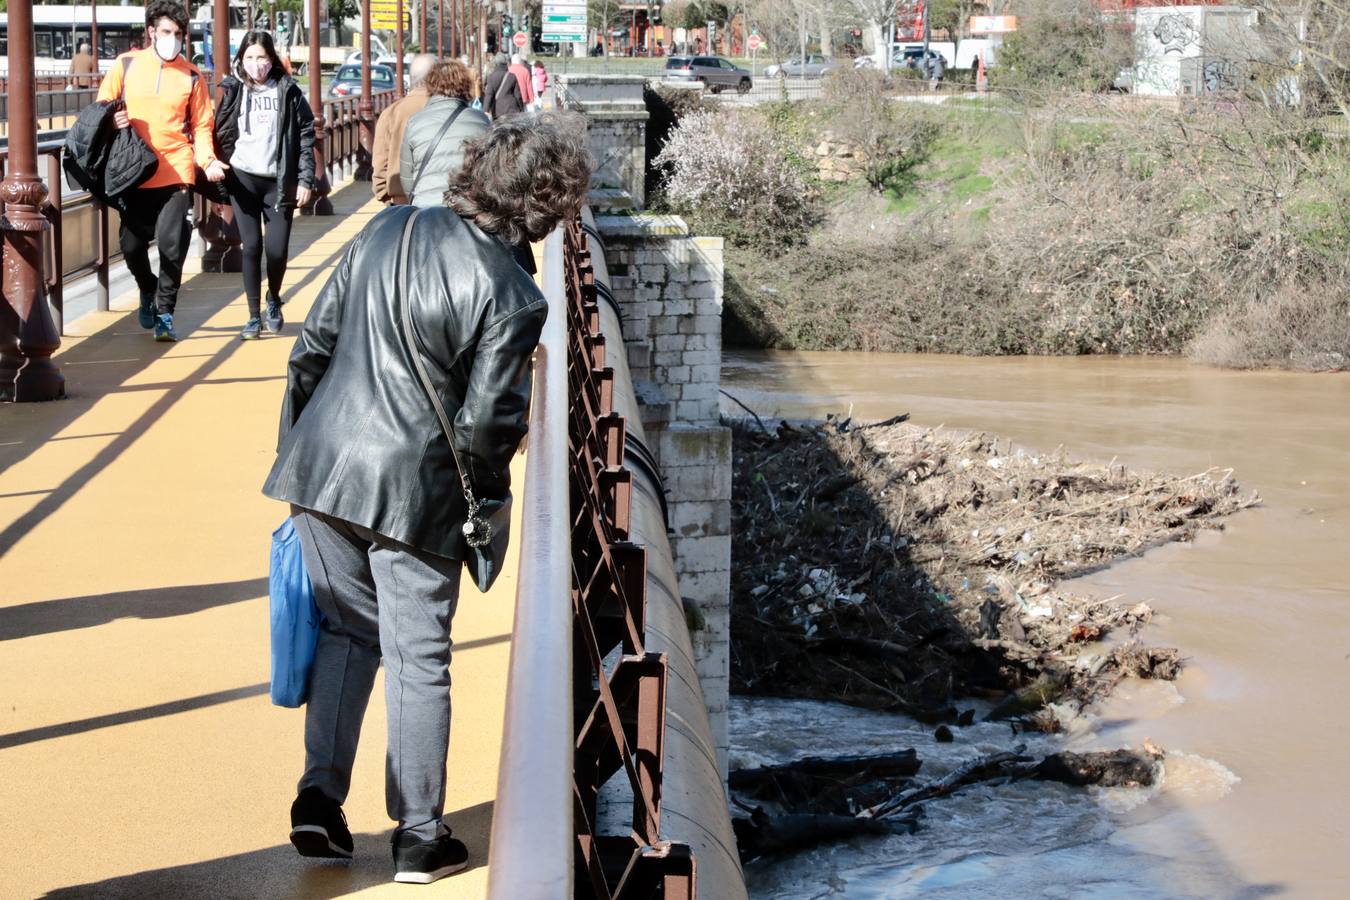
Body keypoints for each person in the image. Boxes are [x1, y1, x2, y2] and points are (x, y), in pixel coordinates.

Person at [262, 112, 593, 885]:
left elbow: (310, 351)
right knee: (420, 659)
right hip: (414, 494)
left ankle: (319, 799)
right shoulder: (513, 295)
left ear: (476, 172)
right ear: (543, 208)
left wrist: (297, 456)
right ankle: (418, 835)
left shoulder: (386, 231)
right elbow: (486, 426)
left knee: (347, 634)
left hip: (322, 472)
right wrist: (485, 509)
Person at [97, 0, 222, 343]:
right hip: (134, 170)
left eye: (178, 34)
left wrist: (207, 160)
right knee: (131, 244)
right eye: (166, 32)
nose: (172, 39)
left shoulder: (192, 76)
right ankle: (148, 288)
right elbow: (100, 108)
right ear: (151, 31)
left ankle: (165, 311)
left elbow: (201, 125)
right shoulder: (125, 65)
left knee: (171, 243)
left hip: (176, 168)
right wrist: (112, 119)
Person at [211, 31, 315, 340]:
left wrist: (305, 178)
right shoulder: (232, 90)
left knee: (277, 250)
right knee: (252, 246)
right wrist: (217, 178)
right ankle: (253, 315)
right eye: (250, 58)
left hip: (278, 181)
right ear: (240, 59)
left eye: (262, 58)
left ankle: (274, 297)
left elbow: (306, 134)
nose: (256, 65)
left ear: (272, 60)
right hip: (243, 179)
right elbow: (218, 133)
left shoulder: (288, 91)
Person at [399, 61, 490, 208]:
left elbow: (406, 175)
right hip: (467, 207)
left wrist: (416, 197)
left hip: (425, 206)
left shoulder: (415, 121)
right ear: (465, 85)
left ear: (431, 85)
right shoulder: (480, 120)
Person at [372, 53, 437, 206]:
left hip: (400, 202)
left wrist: (387, 198)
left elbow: (380, 165)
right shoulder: (448, 110)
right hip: (440, 203)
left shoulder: (391, 113)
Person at [482, 53, 523, 119]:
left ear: (495, 63)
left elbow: (489, 95)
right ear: (505, 63)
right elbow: (518, 95)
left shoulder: (492, 77)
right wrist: (521, 107)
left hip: (497, 110)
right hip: (512, 109)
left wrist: (485, 110)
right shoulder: (512, 76)